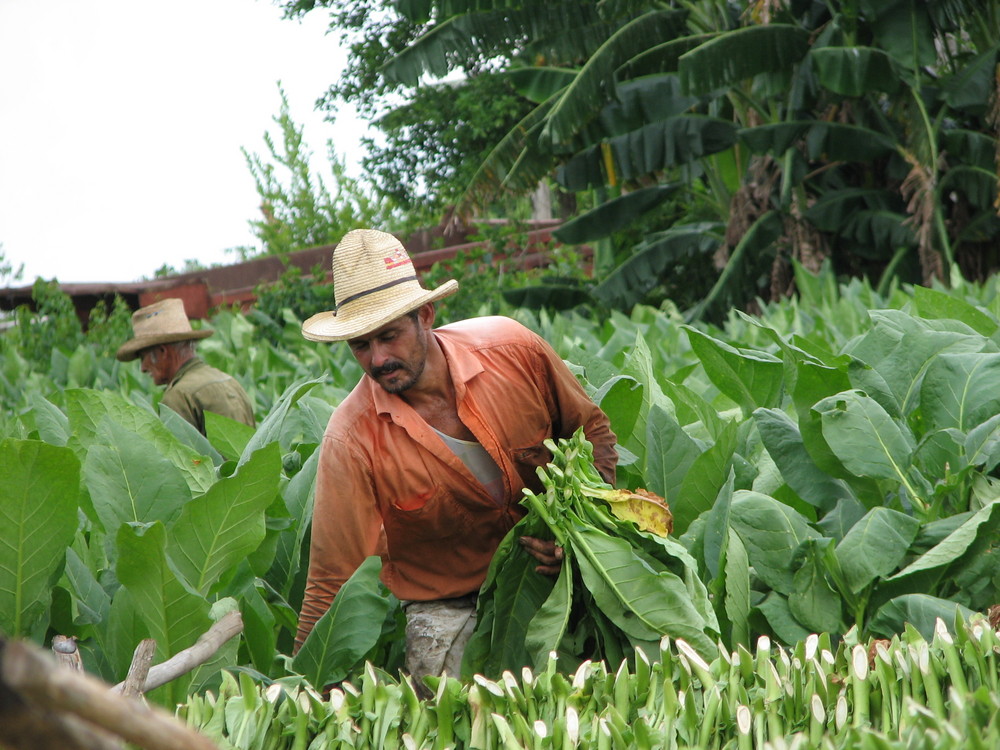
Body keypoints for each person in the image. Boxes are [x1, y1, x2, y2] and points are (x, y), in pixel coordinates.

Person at [294, 228, 617, 688]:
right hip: (446, 607)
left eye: (388, 336)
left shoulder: (514, 352)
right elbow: (331, 579)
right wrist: (303, 691)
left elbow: (593, 432)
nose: (378, 359)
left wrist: (587, 531)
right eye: (361, 345)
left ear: (425, 315)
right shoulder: (351, 438)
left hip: (558, 574)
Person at [116, 298, 255, 435]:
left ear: (162, 352)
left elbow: (178, 455)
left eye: (143, 357)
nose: (143, 368)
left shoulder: (179, 395)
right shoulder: (228, 381)